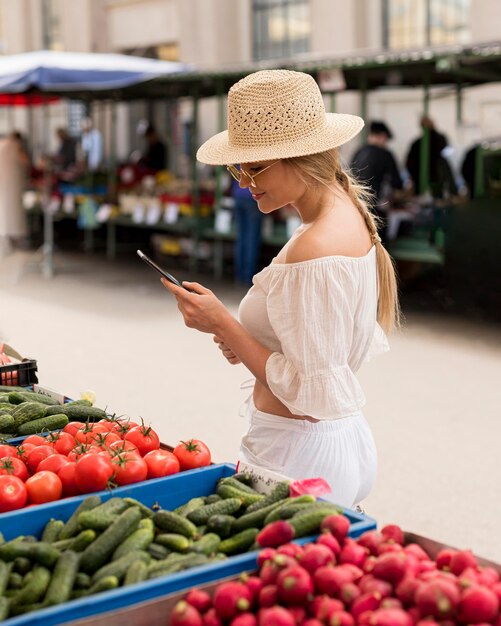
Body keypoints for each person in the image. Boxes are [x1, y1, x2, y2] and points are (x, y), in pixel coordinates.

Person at [161, 70, 400, 509]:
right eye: (239, 168)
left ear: (300, 156)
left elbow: (311, 395)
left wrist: (224, 325)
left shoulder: (314, 247)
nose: (243, 183)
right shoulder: (344, 212)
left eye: (255, 168)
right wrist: (252, 340)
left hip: (298, 453)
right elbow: (321, 355)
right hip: (328, 445)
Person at [350, 120, 404, 242]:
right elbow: (396, 183)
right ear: (383, 136)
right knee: (379, 246)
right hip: (376, 212)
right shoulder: (385, 154)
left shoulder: (358, 152)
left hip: (356, 209)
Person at [405, 116, 457, 199]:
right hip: (438, 179)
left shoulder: (417, 143)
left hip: (424, 181)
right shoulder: (440, 139)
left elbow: (409, 163)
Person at [0, 131, 31, 255]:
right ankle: (16, 238)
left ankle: (5, 236)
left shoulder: (1, 145)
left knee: (3, 211)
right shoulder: (16, 146)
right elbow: (26, 162)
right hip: (13, 184)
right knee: (14, 212)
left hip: (2, 184)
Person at [231, 177, 263, 286]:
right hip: (252, 197)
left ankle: (239, 275)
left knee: (241, 238)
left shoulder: (234, 161)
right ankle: (248, 276)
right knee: (252, 238)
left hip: (238, 196)